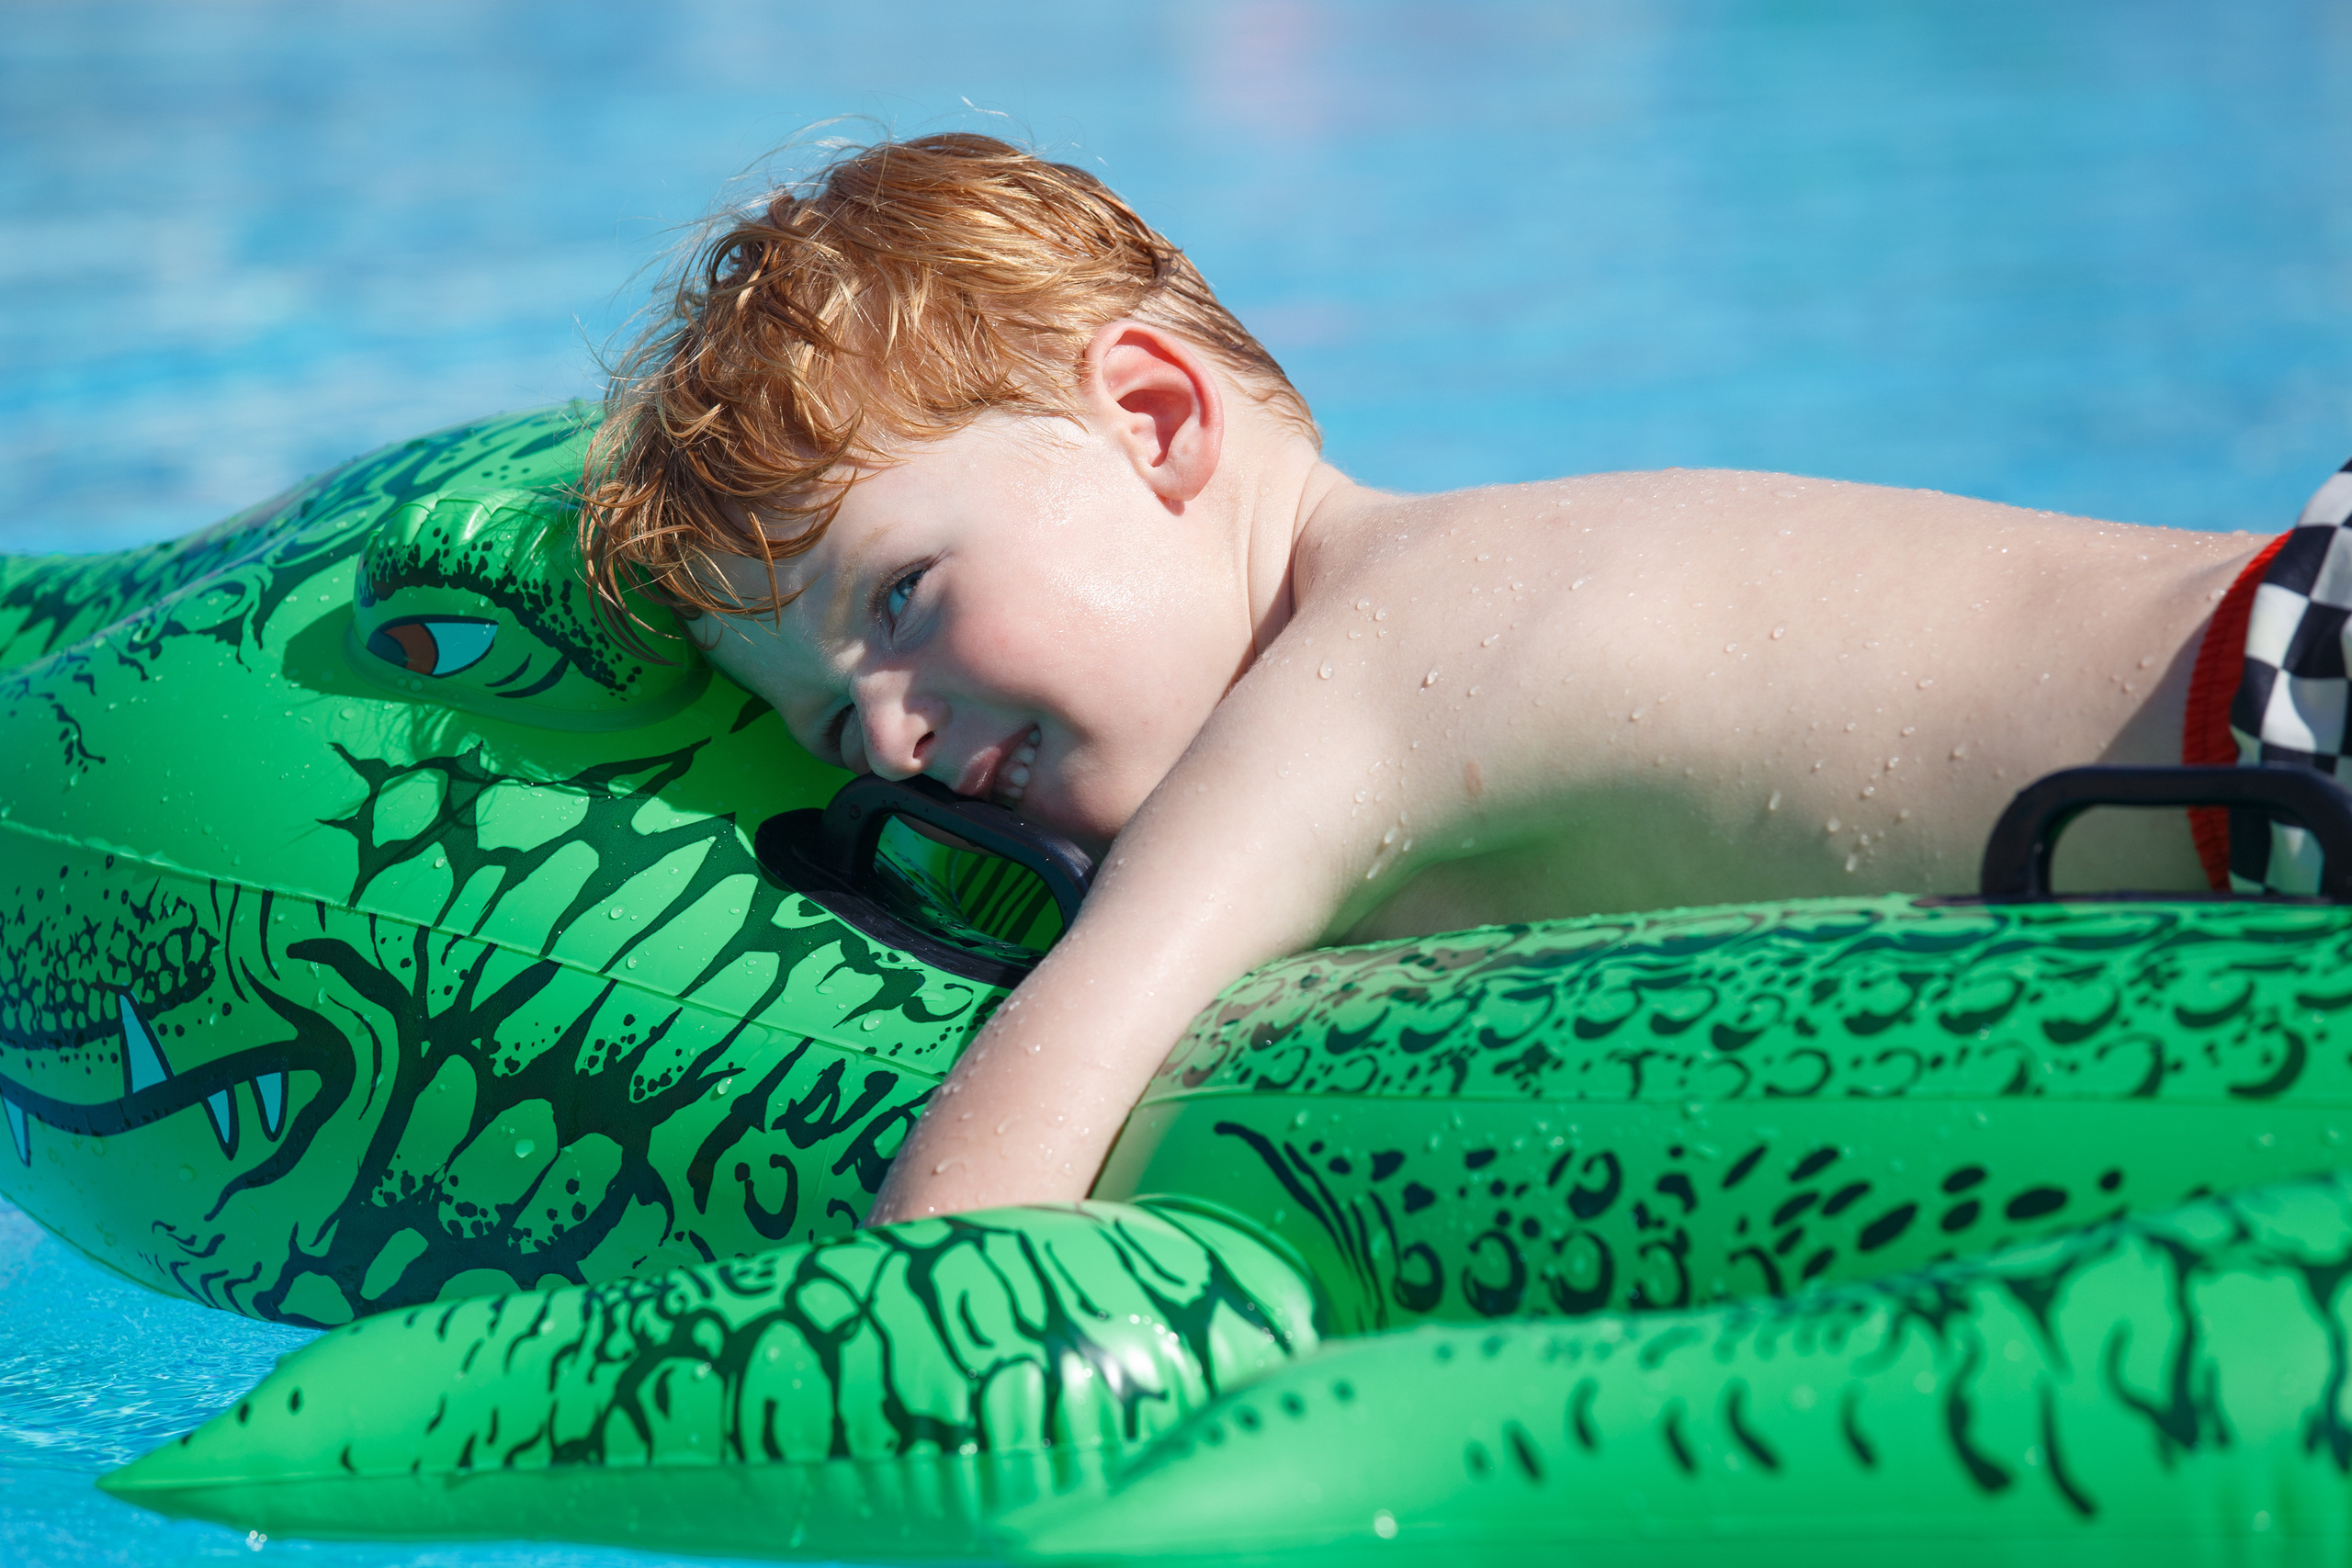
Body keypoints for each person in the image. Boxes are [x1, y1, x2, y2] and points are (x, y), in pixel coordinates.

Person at [579, 132, 2278, 1225]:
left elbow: (992, 1185)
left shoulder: (1354, 678)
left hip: (2289, 707)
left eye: (905, 596)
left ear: (1157, 422)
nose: (885, 731)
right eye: (825, 716)